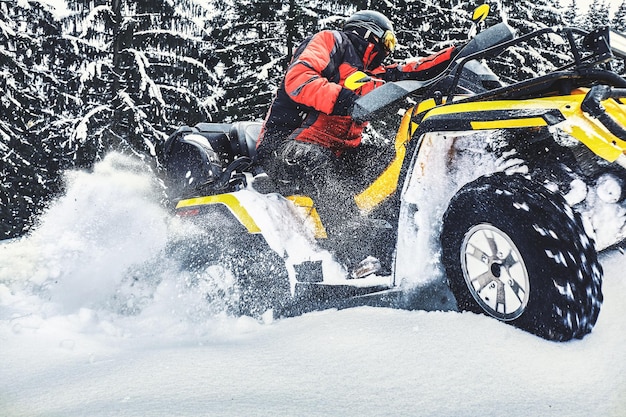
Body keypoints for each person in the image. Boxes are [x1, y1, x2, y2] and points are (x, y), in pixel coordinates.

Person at [255, 10, 457, 276]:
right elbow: (298, 80)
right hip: (286, 145)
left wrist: (458, 54)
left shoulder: (373, 72)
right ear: (369, 33)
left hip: (339, 151)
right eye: (388, 42)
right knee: (317, 163)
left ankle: (395, 244)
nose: (389, 49)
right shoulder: (332, 41)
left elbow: (413, 70)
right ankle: (357, 257)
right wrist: (347, 99)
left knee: (395, 162)